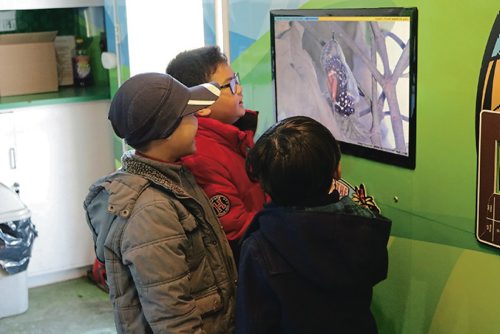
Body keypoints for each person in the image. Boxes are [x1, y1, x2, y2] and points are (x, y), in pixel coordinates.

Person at [83, 73, 237, 333]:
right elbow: (172, 320)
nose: (197, 121)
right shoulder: (151, 212)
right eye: (189, 116)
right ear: (166, 131)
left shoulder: (172, 177)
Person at [236, 116, 392, 334]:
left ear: (264, 183)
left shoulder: (261, 245)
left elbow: (252, 323)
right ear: (337, 171)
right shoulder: (363, 226)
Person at [166, 46, 267, 261]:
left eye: (236, 79)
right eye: (230, 85)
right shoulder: (200, 154)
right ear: (201, 106)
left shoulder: (235, 137)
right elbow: (235, 229)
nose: (239, 89)